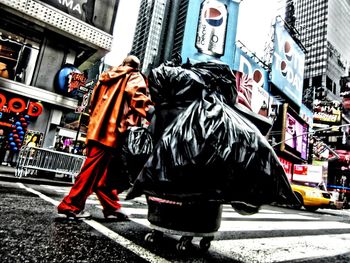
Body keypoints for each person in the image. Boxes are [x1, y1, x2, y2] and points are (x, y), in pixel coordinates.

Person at [57, 55, 154, 220]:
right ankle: (70, 205)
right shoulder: (133, 76)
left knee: (104, 172)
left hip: (97, 129)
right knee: (92, 170)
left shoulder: (106, 77)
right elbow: (137, 97)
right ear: (136, 66)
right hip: (114, 132)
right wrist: (153, 113)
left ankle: (112, 206)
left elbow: (93, 103)